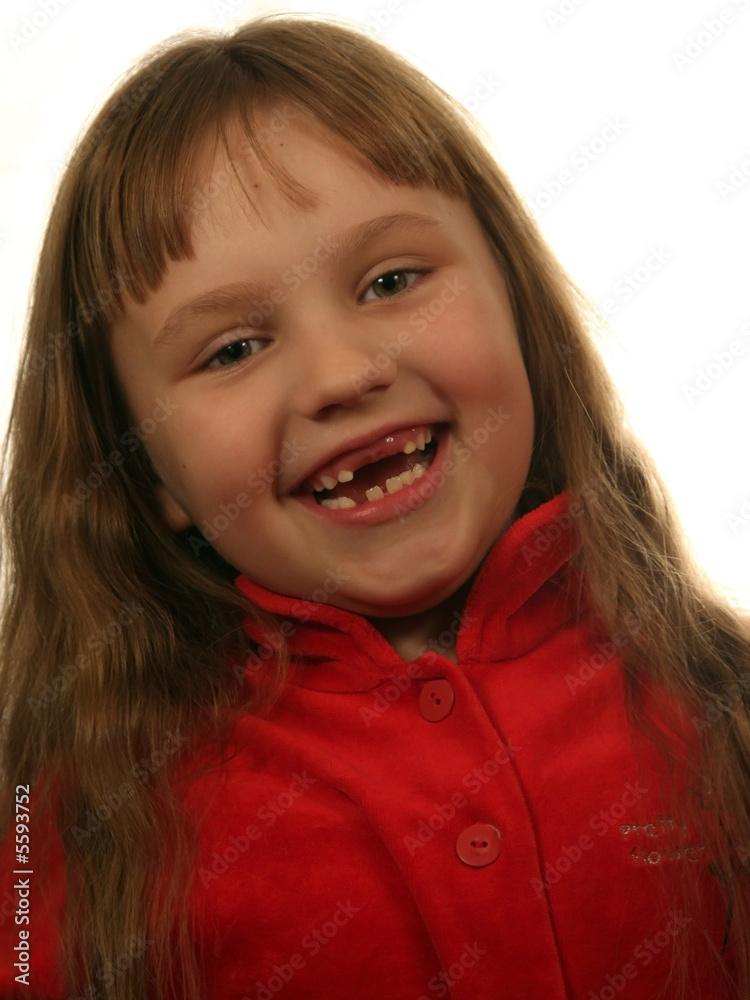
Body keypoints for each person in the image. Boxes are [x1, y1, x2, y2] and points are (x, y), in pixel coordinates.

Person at [0, 13, 748, 1000]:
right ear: (145, 478)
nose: (344, 374)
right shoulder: (76, 830)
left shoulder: (716, 700)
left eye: (392, 281)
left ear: (520, 309)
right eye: (233, 349)